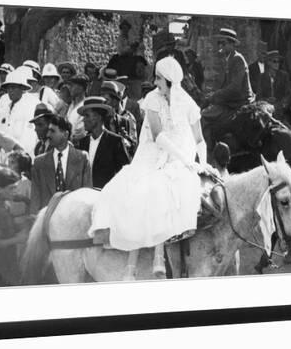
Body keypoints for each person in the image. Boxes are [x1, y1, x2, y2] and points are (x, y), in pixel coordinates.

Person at [88, 56, 208, 281]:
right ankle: (138, 265)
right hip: (153, 153)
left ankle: (171, 254)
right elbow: (158, 135)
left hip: (180, 157)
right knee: (148, 190)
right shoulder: (152, 99)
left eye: (160, 79)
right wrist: (184, 159)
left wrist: (200, 162)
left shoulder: (188, 103)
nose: (156, 83)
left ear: (171, 79)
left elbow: (200, 139)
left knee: (191, 187)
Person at [201, 28, 255, 154]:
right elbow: (226, 86)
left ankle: (208, 155)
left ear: (232, 44)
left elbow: (235, 88)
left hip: (240, 102)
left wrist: (214, 96)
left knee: (203, 116)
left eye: (223, 43)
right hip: (232, 101)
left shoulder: (237, 60)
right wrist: (212, 95)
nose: (220, 46)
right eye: (219, 43)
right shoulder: (228, 59)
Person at [29, 115, 92, 214]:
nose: (48, 135)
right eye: (48, 131)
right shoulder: (39, 163)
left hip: (74, 219)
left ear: (65, 134)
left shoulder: (82, 158)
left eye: (52, 131)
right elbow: (35, 199)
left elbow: (88, 194)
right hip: (47, 221)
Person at [0, 168, 29, 287]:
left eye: (15, 187)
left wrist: (27, 220)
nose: (15, 191)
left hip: (6, 262)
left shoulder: (4, 205)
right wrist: (18, 239)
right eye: (11, 188)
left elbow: (7, 228)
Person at [78, 96, 131, 188]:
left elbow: (125, 173)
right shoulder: (83, 142)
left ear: (98, 117)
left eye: (87, 115)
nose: (83, 120)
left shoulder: (115, 142)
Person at [0, 67, 39, 156]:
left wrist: (19, 155)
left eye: (13, 88)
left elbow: (29, 137)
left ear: (22, 88)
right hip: (3, 155)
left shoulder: (30, 106)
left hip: (21, 157)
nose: (10, 91)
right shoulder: (5, 106)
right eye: (8, 88)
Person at [101, 80, 138, 156]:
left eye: (106, 100)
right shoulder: (102, 116)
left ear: (115, 101)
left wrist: (122, 139)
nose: (103, 104)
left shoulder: (128, 117)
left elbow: (133, 145)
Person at [65, 74, 89, 146]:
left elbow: (82, 133)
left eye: (72, 85)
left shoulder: (85, 106)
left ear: (81, 88)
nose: (70, 88)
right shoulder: (71, 105)